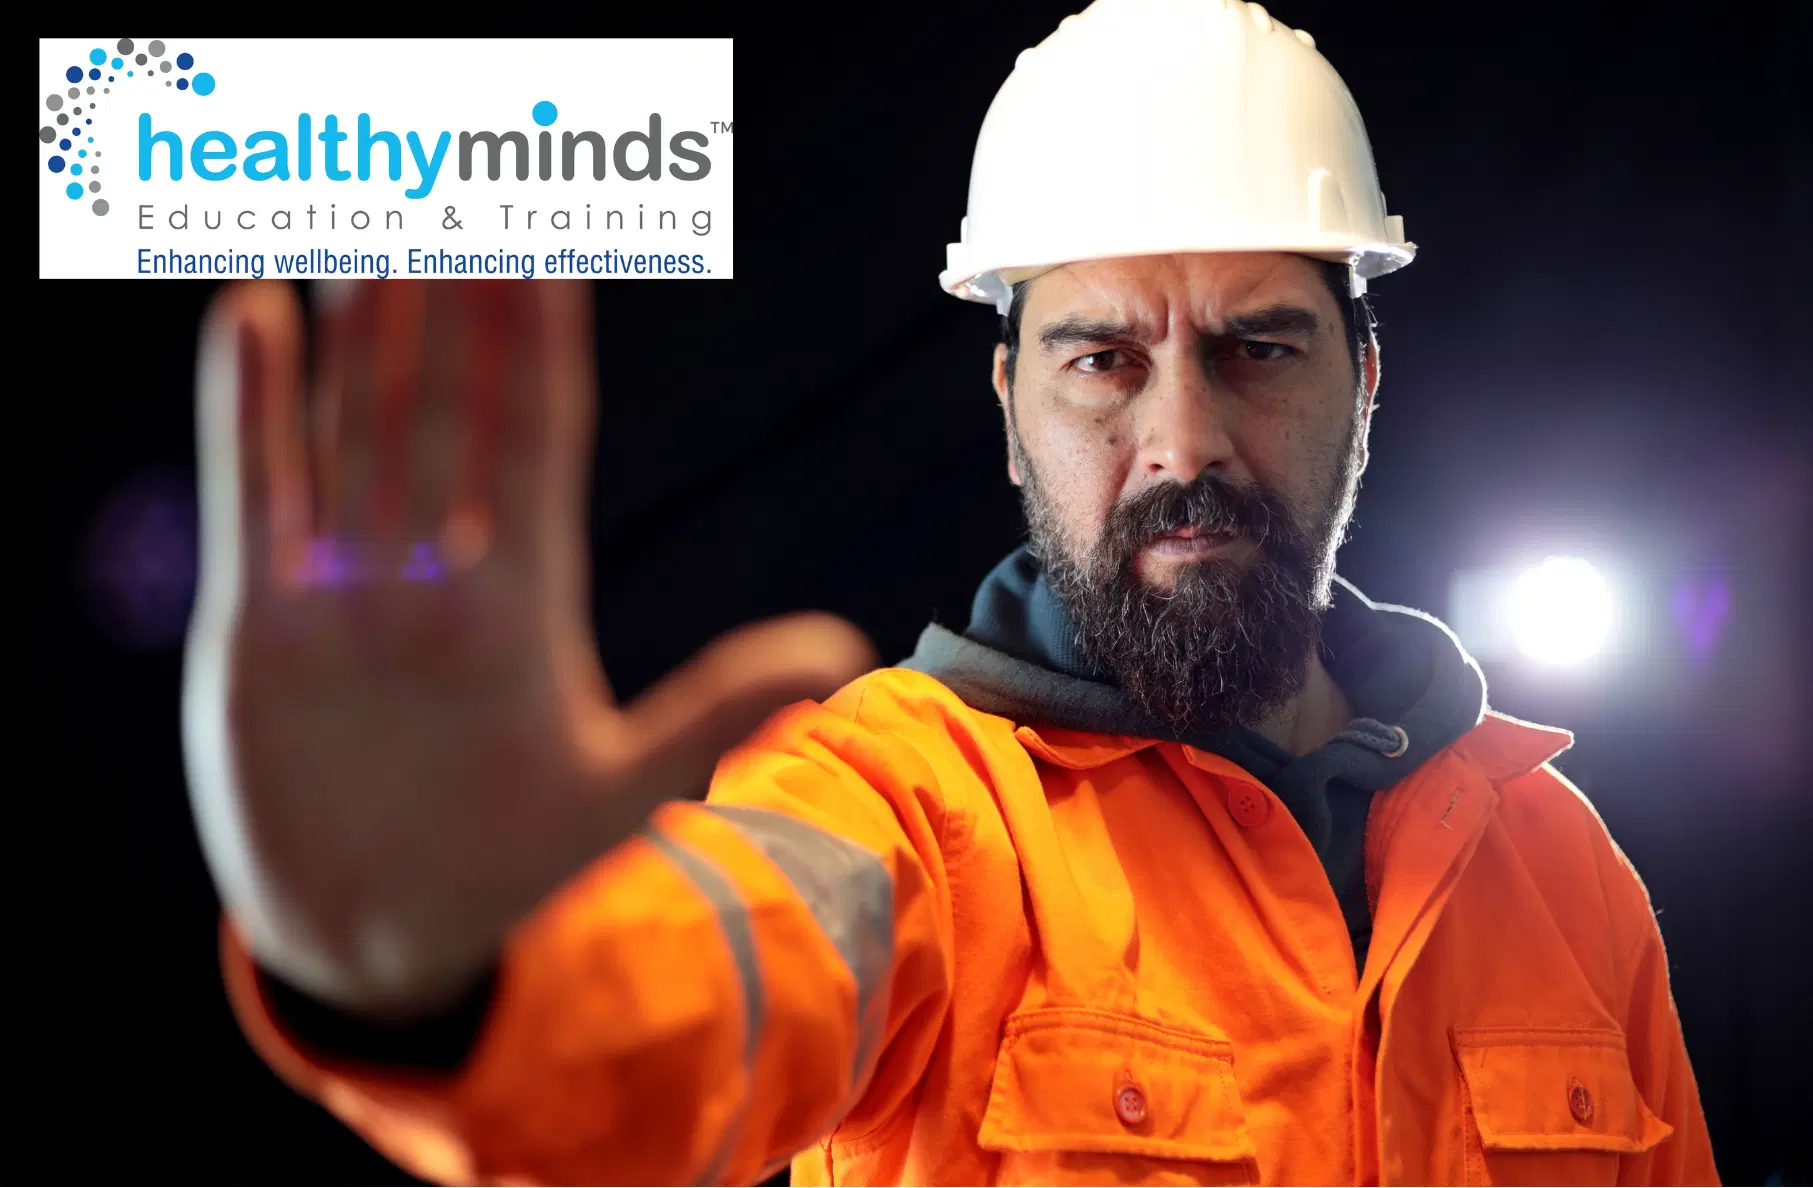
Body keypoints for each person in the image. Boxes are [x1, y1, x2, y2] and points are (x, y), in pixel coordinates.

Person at [184, 1, 1718, 1183]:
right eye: (1101, 359)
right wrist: (453, 992)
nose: (1183, 438)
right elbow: (724, 976)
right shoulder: (898, 809)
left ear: (1364, 380)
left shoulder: (1557, 862)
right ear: (1007, 410)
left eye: (1257, 348)